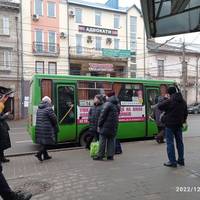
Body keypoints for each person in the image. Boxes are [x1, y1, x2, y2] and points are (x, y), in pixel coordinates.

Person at [158, 86, 188, 168]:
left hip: (170, 125)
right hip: (179, 125)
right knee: (180, 143)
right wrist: (183, 120)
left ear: (169, 93)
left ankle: (172, 162)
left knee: (170, 143)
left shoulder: (170, 101)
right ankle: (181, 160)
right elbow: (186, 113)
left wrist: (165, 99)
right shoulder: (183, 101)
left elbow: (160, 106)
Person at [93, 92, 119, 161]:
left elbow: (102, 116)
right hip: (114, 125)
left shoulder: (107, 104)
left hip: (105, 126)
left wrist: (99, 125)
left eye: (106, 96)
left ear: (109, 96)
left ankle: (100, 156)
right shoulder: (117, 104)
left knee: (102, 141)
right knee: (111, 141)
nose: (105, 97)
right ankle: (110, 156)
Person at [35, 96, 59, 161]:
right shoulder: (49, 108)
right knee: (48, 142)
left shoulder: (39, 108)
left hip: (40, 127)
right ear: (48, 102)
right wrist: (55, 125)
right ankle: (39, 154)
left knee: (43, 142)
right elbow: (54, 119)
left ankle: (46, 156)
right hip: (47, 128)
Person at [0, 94, 12, 163]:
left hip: (2, 127)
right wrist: (6, 115)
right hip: (1, 128)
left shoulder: (1, 104)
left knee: (2, 144)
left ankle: (2, 158)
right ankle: (2, 158)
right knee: (1, 144)